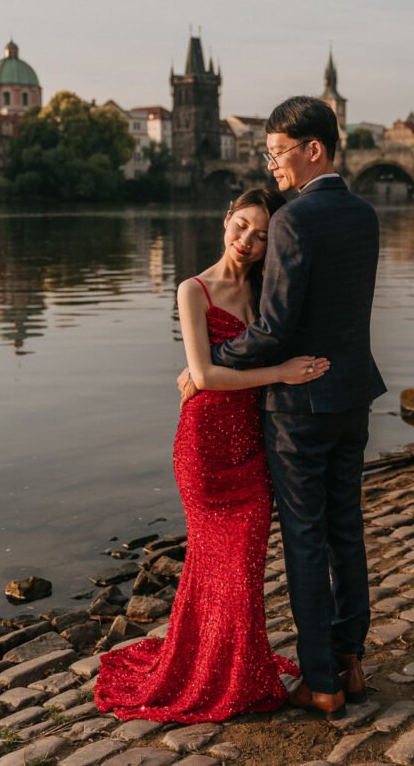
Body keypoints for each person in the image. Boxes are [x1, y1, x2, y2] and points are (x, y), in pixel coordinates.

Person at [94, 188, 329, 724]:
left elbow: (234, 357)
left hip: (252, 445)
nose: (248, 240)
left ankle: (232, 670)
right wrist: (280, 373)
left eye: (262, 234)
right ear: (226, 220)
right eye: (242, 226)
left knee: (241, 569)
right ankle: (213, 673)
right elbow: (204, 377)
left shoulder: (268, 292)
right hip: (204, 449)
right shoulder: (192, 289)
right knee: (213, 560)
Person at [206, 96, 386, 719]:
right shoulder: (364, 214)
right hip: (353, 397)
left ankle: (320, 682)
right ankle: (350, 662)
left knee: (306, 539)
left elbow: (278, 328)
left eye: (279, 153)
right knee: (346, 530)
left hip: (298, 408)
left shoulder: (293, 220)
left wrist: (216, 356)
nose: (273, 165)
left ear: (314, 149)